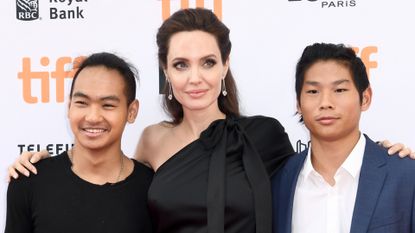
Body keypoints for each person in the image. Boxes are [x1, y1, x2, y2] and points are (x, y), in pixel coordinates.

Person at [7, 9, 414, 233]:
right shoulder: (151, 140)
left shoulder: (264, 135)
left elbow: (318, 170)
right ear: (166, 72)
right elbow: (110, 195)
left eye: (207, 62)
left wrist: (386, 159)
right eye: (181, 64)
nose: (195, 77)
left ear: (225, 66)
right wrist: (44, 170)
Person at [271, 43, 415, 233]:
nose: (325, 103)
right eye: (313, 91)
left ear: (365, 98)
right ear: (298, 103)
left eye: (339, 90)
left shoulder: (405, 175)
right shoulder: (279, 182)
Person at [5, 52, 154, 233]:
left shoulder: (153, 189)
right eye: (82, 102)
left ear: (131, 111)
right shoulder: (29, 182)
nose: (92, 117)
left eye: (108, 105)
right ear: (69, 107)